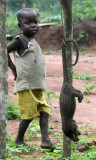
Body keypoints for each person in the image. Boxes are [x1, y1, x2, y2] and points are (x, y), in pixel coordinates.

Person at [7, 8, 55, 149]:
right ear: (20, 26)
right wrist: (13, 68)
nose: (34, 25)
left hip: (37, 86)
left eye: (36, 22)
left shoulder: (32, 40)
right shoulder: (20, 40)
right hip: (26, 86)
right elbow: (4, 50)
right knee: (28, 115)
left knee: (45, 112)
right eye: (28, 23)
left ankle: (45, 140)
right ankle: (19, 140)